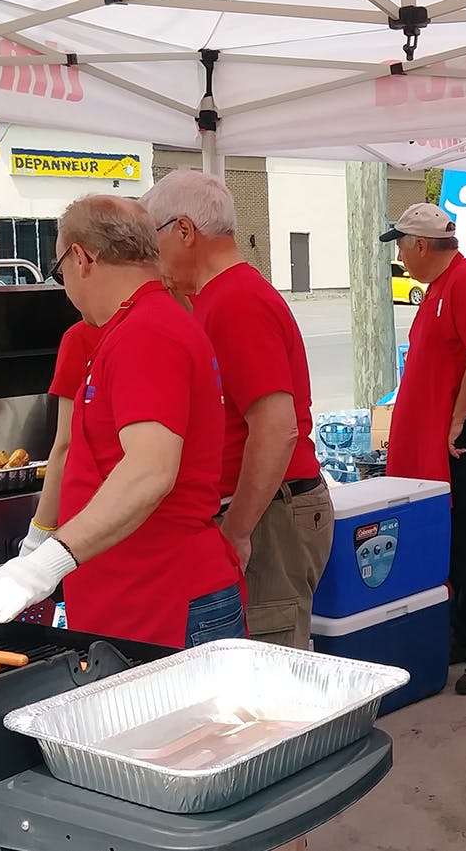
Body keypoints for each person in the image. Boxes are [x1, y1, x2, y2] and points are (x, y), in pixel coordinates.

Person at [0, 196, 244, 648]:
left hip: (162, 597)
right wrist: (34, 545)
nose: (65, 284)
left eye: (59, 272)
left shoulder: (146, 332)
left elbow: (150, 470)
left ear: (81, 257)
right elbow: (78, 453)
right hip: (131, 595)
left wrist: (43, 565)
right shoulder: (131, 327)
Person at [142, 169, 332, 649]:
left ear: (184, 231)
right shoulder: (217, 299)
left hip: (271, 511)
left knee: (270, 670)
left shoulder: (235, 301)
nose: (151, 256)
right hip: (268, 507)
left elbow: (276, 427)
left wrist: (239, 528)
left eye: (152, 239)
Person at [379, 202, 466, 695]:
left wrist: (456, 418)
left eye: (399, 244)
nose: (399, 254)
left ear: (418, 245)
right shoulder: (442, 286)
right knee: (453, 535)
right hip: (452, 428)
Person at [17, 321, 103, 558]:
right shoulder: (179, 320)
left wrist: (33, 545)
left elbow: (66, 444)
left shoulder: (82, 337)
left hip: (87, 537)